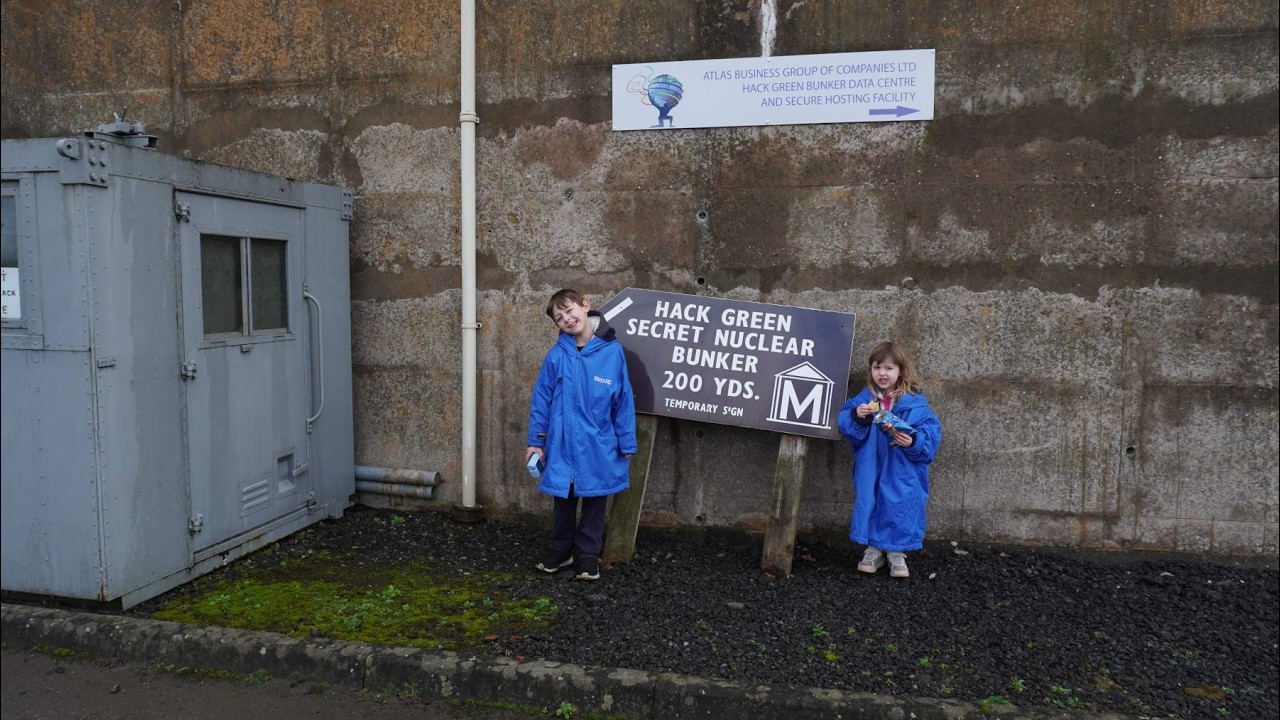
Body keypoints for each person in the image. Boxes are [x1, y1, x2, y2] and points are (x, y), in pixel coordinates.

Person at [525, 289, 637, 581]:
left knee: (595, 499)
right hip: (562, 444)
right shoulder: (556, 356)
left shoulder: (612, 352)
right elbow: (541, 400)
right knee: (563, 499)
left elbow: (623, 400)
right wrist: (536, 442)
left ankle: (588, 555)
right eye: (559, 318)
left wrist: (627, 440)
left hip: (598, 443)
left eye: (569, 310)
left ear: (585, 306)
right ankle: (561, 550)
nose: (566, 319)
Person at [837, 341, 941, 579]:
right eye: (877, 367)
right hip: (871, 464)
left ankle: (896, 552)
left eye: (889, 368)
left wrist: (913, 442)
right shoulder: (864, 400)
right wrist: (857, 416)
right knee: (871, 499)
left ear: (901, 371)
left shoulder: (915, 404)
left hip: (902, 467)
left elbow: (931, 437)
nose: (882, 373)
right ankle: (873, 549)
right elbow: (846, 425)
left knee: (901, 503)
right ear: (870, 370)